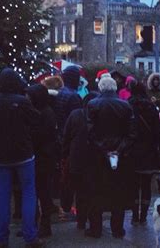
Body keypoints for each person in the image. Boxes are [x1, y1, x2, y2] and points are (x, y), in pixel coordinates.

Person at [0, 68, 44, 248]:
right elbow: (37, 119)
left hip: (1, 155)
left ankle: (2, 238)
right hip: (23, 153)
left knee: (3, 195)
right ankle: (30, 236)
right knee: (28, 193)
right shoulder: (21, 101)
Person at [85, 76, 136, 239]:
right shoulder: (125, 106)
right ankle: (117, 229)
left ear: (100, 88)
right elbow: (132, 134)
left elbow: (90, 133)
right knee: (118, 192)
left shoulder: (93, 105)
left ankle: (96, 228)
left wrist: (104, 150)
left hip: (98, 156)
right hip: (119, 156)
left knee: (96, 191)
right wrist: (118, 150)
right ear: (115, 89)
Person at [62, 91, 99, 231]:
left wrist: (65, 155)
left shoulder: (75, 114)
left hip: (77, 158)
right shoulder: (98, 115)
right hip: (94, 159)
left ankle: (81, 221)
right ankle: (94, 221)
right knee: (93, 191)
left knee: (80, 191)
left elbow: (67, 136)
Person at [26, 83, 58, 238]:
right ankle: (35, 224)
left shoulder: (44, 113)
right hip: (42, 158)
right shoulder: (45, 111)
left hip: (43, 159)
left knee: (43, 193)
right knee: (40, 193)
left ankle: (44, 225)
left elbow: (40, 136)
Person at [128, 81, 160, 225]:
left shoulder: (128, 105)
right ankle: (143, 217)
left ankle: (135, 214)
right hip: (148, 150)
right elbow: (158, 130)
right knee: (146, 184)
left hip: (133, 150)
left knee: (133, 184)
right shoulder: (151, 106)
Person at [55, 65, 82, 219]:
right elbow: (76, 121)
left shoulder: (61, 94)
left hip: (61, 137)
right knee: (72, 176)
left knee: (65, 175)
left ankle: (65, 206)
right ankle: (70, 207)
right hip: (71, 140)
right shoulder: (74, 97)